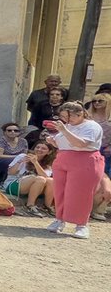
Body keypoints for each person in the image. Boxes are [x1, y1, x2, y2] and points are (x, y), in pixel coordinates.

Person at [44, 102, 104, 239]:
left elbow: (81, 143)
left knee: (80, 193)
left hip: (84, 160)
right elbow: (63, 143)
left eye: (69, 117)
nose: (67, 120)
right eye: (64, 117)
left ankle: (81, 225)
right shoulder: (68, 126)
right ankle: (59, 219)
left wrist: (64, 130)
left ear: (80, 113)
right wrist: (52, 140)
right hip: (63, 159)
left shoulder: (92, 126)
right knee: (60, 191)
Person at [6, 140, 56, 216]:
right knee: (40, 179)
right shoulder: (22, 156)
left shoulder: (48, 164)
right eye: (38, 147)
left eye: (43, 148)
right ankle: (30, 206)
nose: (39, 149)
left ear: (49, 152)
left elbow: (46, 177)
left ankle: (48, 206)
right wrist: (20, 162)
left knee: (51, 180)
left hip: (37, 187)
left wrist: (35, 163)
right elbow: (10, 172)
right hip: (14, 184)